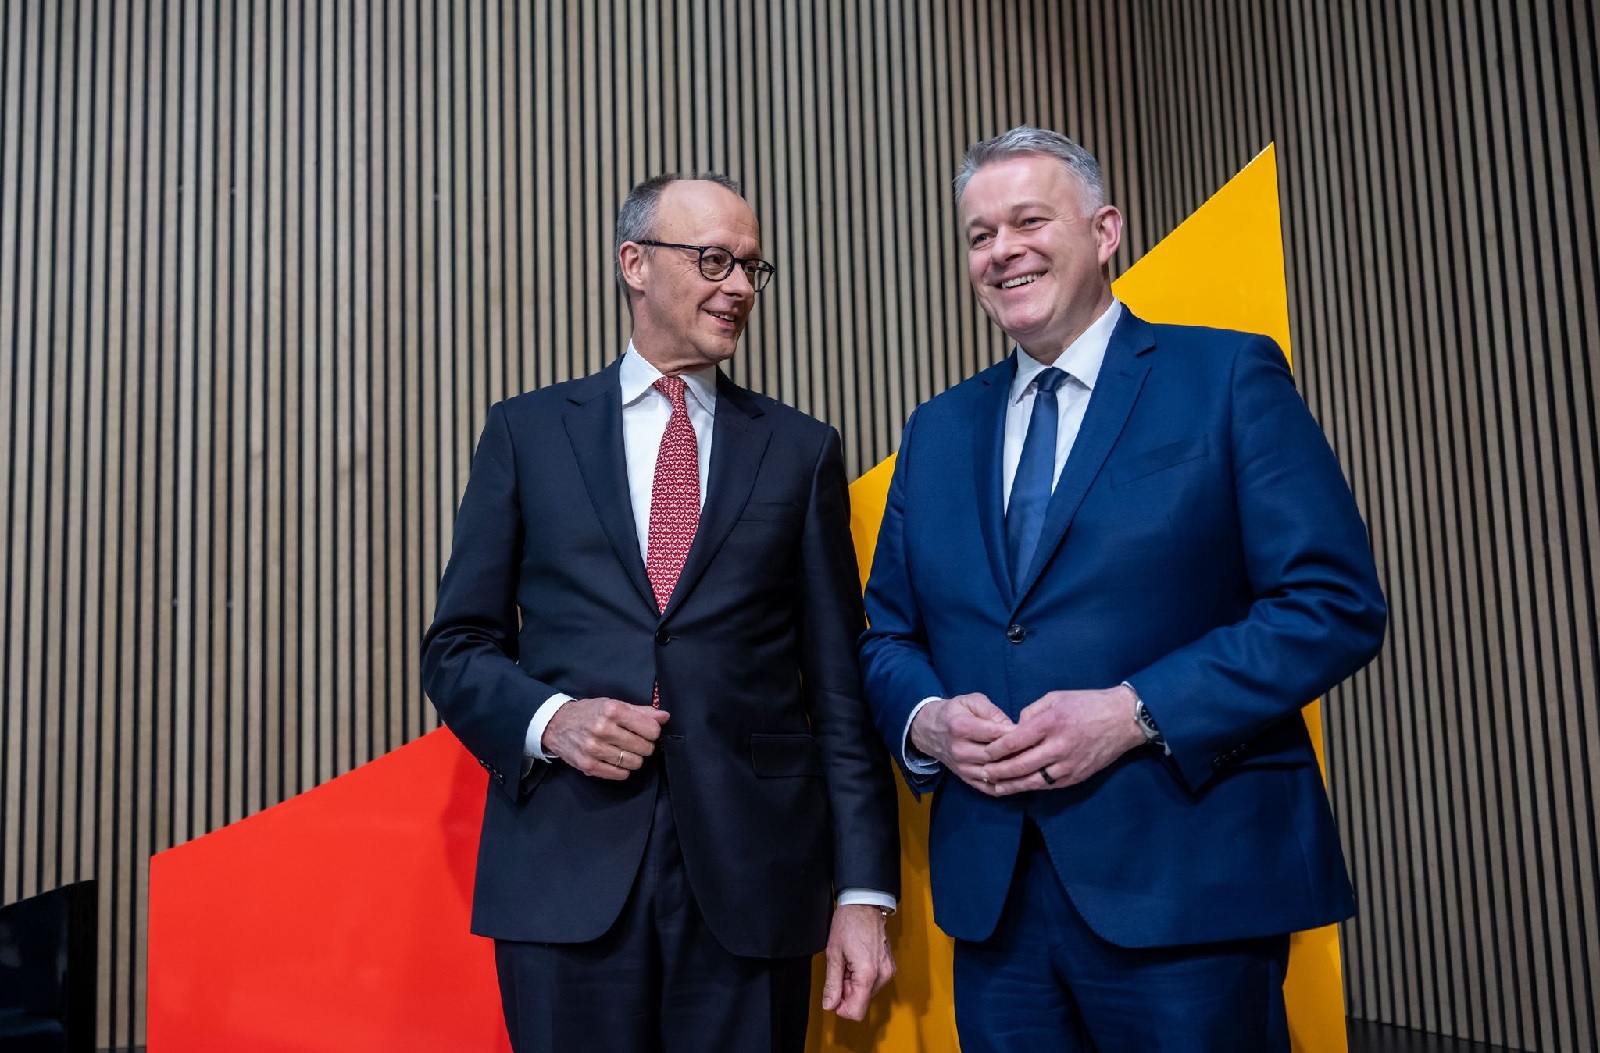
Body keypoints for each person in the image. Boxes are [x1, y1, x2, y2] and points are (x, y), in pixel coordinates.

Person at [859, 126, 1387, 1052]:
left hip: (1190, 887)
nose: (1002, 250)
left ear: (1105, 232)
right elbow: (887, 637)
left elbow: (1331, 604)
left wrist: (1135, 709)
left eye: (1030, 220)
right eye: (980, 235)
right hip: (997, 905)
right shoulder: (936, 430)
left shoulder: (1226, 376)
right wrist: (929, 721)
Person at [422, 173, 900, 1053]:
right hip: (565, 873)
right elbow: (456, 648)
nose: (741, 288)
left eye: (754, 268)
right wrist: (553, 720)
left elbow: (839, 688)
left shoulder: (801, 450)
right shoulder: (527, 434)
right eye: (714, 260)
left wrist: (863, 891)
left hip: (753, 879)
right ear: (634, 264)